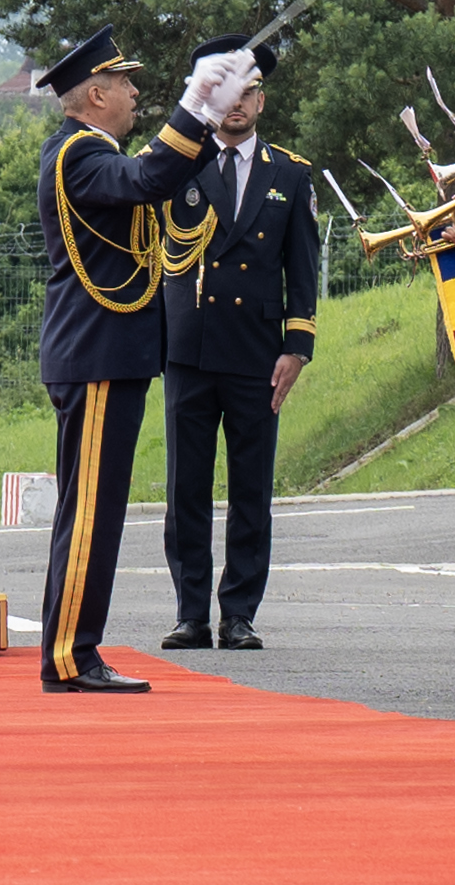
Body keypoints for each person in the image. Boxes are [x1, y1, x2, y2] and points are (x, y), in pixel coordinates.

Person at [33, 26, 247, 693]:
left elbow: (160, 173)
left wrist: (206, 117)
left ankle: (74, 650)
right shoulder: (79, 153)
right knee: (91, 513)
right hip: (97, 353)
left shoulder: (87, 151)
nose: (133, 93)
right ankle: (70, 655)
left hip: (107, 351)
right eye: (124, 83)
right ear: (95, 95)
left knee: (95, 511)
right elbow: (149, 176)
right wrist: (195, 105)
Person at [159, 34, 319, 652]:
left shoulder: (290, 173)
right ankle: (190, 613)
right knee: (187, 489)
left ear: (261, 100)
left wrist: (296, 347)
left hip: (256, 352)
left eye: (249, 92)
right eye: (229, 93)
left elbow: (302, 270)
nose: (238, 104)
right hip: (190, 347)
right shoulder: (180, 163)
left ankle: (240, 614)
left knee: (251, 489)